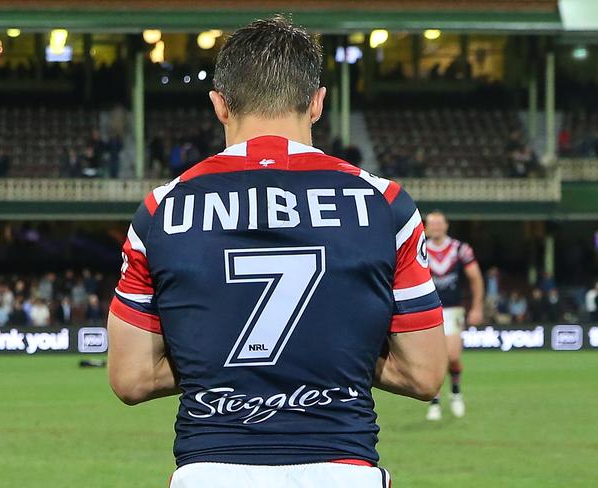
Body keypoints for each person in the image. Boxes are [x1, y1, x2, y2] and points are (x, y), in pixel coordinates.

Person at [107, 17, 446, 488]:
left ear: (220, 105)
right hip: (341, 468)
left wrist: (220, 357)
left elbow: (131, 378)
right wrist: (328, 354)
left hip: (211, 468)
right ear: (317, 102)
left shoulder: (161, 210)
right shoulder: (386, 205)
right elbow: (425, 374)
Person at [424, 210, 484, 421]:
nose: (437, 227)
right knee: (432, 359)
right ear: (426, 227)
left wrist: (477, 307)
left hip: (452, 309)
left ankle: (456, 393)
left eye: (440, 223)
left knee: (452, 356)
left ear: (446, 225)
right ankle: (434, 402)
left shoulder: (461, 249)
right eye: (433, 224)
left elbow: (475, 278)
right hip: (427, 310)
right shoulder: (419, 249)